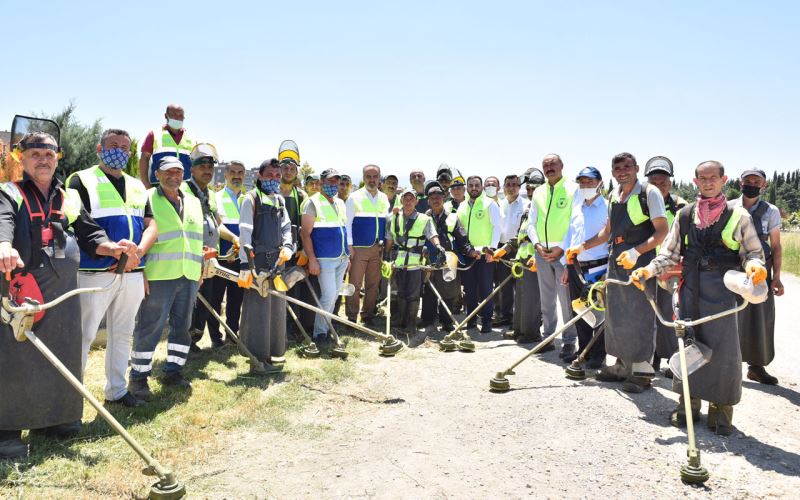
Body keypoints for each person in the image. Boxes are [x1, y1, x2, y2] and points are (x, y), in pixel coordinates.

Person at [0, 131, 136, 458]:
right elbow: (3, 222)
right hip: (22, 290)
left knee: (61, 350)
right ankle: (6, 431)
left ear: (57, 158)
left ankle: (55, 419)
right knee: (15, 357)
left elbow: (90, 233)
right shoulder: (10, 192)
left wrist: (112, 248)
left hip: (63, 289)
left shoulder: (68, 197)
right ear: (21, 158)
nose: (43, 160)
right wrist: (4, 245)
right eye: (35, 154)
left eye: (49, 155)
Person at [631, 160, 766, 435]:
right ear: (695, 182)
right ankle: (687, 407)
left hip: (723, 292)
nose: (707, 182)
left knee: (724, 350)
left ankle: (721, 411)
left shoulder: (739, 215)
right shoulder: (684, 215)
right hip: (689, 289)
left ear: (723, 180)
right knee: (687, 344)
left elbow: (753, 252)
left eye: (713, 177)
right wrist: (648, 270)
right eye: (702, 178)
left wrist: (755, 266)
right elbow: (668, 254)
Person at [69, 129, 157, 408]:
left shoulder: (137, 185)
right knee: (83, 335)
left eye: (124, 147)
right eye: (113, 145)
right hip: (96, 272)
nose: (119, 151)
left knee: (122, 333)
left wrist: (137, 253)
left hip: (132, 272)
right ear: (99, 148)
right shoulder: (80, 180)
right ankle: (70, 399)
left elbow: (151, 224)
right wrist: (115, 253)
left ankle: (117, 391)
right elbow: (79, 223)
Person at [569, 152, 668, 393]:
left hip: (640, 262)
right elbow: (608, 232)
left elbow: (661, 231)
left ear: (636, 168)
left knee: (640, 314)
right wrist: (582, 246)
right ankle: (622, 365)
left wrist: (636, 252)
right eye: (618, 168)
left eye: (627, 167)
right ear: (612, 172)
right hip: (617, 260)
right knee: (618, 314)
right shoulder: (614, 194)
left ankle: (642, 371)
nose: (622, 172)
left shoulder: (649, 193)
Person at [128, 157, 204, 400]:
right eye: (167, 172)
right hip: (158, 276)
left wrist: (199, 270)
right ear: (157, 174)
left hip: (188, 275)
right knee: (149, 327)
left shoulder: (193, 201)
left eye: (178, 172)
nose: (173, 176)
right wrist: (140, 272)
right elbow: (139, 235)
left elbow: (197, 238)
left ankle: (174, 372)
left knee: (182, 327)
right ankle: (138, 378)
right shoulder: (146, 198)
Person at [237, 159, 294, 371]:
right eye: (269, 175)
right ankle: (257, 359)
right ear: (259, 176)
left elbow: (286, 227)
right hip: (257, 263)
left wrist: (287, 246)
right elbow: (245, 233)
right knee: (258, 311)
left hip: (278, 261)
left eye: (277, 176)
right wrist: (246, 266)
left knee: (276, 308)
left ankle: (271, 353)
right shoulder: (251, 199)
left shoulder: (279, 200)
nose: (274, 179)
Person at [185, 144, 239, 350]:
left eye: (210, 167)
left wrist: (234, 238)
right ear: (192, 169)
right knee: (189, 304)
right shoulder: (183, 191)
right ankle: (185, 344)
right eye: (202, 166)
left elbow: (217, 223)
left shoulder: (210, 194)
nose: (207, 171)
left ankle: (193, 340)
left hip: (209, 260)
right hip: (190, 259)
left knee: (205, 304)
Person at [733, 168, 784, 385]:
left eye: (757, 181)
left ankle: (756, 367)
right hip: (733, 266)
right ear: (740, 183)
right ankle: (728, 364)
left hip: (760, 268)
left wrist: (777, 276)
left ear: (764, 185)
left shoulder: (771, 211)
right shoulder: (729, 207)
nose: (751, 184)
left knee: (760, 317)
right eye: (748, 180)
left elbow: (776, 245)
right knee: (730, 314)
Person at [526, 154, 579, 357]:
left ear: (562, 165)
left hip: (563, 254)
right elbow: (531, 223)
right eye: (545, 165)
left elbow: (575, 223)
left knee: (566, 301)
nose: (549, 168)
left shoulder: (573, 189)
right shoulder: (539, 191)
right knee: (546, 299)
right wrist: (537, 245)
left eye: (552, 164)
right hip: (542, 253)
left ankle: (569, 341)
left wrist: (562, 248)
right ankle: (547, 337)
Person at [643, 156, 687, 376]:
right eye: (654, 182)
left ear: (670, 183)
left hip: (670, 268)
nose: (659, 186)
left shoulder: (681, 206)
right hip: (645, 266)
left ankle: (673, 360)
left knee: (671, 315)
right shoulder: (641, 203)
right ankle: (650, 359)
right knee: (647, 314)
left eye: (663, 182)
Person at [561, 167, 608, 368]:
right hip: (575, 267)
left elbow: (610, 238)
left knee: (598, 311)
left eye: (590, 181)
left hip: (598, 267)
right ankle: (583, 350)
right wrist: (566, 266)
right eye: (582, 182)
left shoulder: (607, 207)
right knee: (579, 310)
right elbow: (569, 237)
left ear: (599, 183)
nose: (585, 185)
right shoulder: (576, 208)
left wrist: (608, 272)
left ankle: (598, 354)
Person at [300, 168, 350, 344]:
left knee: (334, 296)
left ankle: (325, 328)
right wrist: (312, 259)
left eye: (336, 181)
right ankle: (319, 333)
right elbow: (305, 233)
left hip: (341, 257)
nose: (333, 185)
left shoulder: (340, 202)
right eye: (330, 181)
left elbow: (343, 229)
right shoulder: (312, 203)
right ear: (321, 183)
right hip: (325, 258)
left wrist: (347, 255)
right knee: (328, 296)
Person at [385, 188, 444, 331]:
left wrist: (438, 246)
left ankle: (411, 324)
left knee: (413, 294)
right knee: (400, 293)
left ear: (416, 201)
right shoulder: (393, 218)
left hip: (415, 263)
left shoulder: (424, 219)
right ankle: (400, 320)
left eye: (411, 198)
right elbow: (390, 238)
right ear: (401, 200)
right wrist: (386, 255)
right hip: (398, 262)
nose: (408, 201)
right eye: (405, 198)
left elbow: (432, 235)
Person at [420, 182, 476, 332]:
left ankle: (446, 322)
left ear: (443, 198)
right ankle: (428, 320)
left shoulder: (453, 217)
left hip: (449, 258)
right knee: (429, 290)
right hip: (429, 258)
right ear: (428, 201)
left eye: (438, 196)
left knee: (449, 291)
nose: (436, 200)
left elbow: (463, 240)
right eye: (432, 197)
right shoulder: (423, 218)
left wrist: (471, 252)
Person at [503, 169, 545, 343]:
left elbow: (544, 235)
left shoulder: (543, 208)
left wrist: (537, 255)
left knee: (531, 297)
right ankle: (519, 329)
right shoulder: (529, 208)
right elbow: (521, 234)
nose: (530, 192)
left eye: (534, 188)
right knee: (520, 296)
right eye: (528, 188)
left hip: (534, 257)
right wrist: (505, 249)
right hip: (522, 256)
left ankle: (530, 333)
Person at [457, 175, 502, 333]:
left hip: (485, 254)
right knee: (469, 290)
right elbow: (459, 230)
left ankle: (487, 321)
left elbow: (497, 227)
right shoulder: (462, 206)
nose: (474, 188)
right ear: (467, 188)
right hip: (468, 254)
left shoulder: (490, 204)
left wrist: (492, 249)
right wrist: (466, 250)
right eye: (471, 185)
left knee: (485, 289)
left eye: (477, 185)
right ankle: (471, 320)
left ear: (482, 187)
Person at [345, 165, 389, 326]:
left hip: (377, 248)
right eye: (368, 176)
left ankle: (368, 315)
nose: (372, 180)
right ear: (363, 178)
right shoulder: (354, 197)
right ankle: (351, 316)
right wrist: (349, 246)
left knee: (373, 284)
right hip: (358, 248)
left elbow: (386, 221)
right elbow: (347, 224)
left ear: (379, 178)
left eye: (375, 176)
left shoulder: (383, 198)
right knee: (354, 284)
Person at [209, 161, 246, 345]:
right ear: (225, 175)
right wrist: (233, 239)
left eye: (240, 172)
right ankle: (215, 338)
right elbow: (217, 225)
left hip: (241, 259)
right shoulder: (216, 198)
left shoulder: (247, 200)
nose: (236, 175)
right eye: (232, 172)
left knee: (236, 299)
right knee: (215, 298)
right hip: (221, 258)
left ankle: (232, 335)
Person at [278, 140, 313, 334]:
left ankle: (293, 328)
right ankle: (277, 328)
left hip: (295, 252)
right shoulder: (270, 192)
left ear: (297, 172)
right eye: (285, 167)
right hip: (274, 251)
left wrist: (304, 251)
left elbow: (305, 227)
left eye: (292, 168)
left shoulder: (301, 196)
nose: (288, 171)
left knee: (294, 289)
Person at [494, 174, 526, 327]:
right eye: (508, 185)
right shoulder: (499, 205)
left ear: (519, 187)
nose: (511, 188)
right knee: (504, 286)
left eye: (515, 185)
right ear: (504, 187)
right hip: (502, 250)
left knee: (520, 286)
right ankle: (506, 316)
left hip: (519, 249)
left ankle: (519, 319)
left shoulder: (526, 205)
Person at [139, 104, 193, 188]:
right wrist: (146, 184)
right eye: (173, 114)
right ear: (165, 116)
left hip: (185, 186)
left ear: (184, 117)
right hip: (158, 186)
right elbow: (144, 159)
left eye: (180, 115)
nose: (177, 118)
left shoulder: (190, 137)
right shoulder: (154, 134)